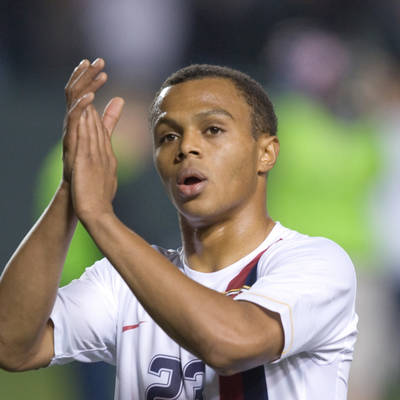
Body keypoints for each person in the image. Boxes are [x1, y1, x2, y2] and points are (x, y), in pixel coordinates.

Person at [0, 58, 358, 399]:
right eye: (168, 136)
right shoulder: (121, 284)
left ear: (265, 153)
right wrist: (70, 189)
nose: (187, 146)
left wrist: (101, 218)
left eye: (213, 130)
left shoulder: (317, 263)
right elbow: (11, 345)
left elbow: (230, 342)